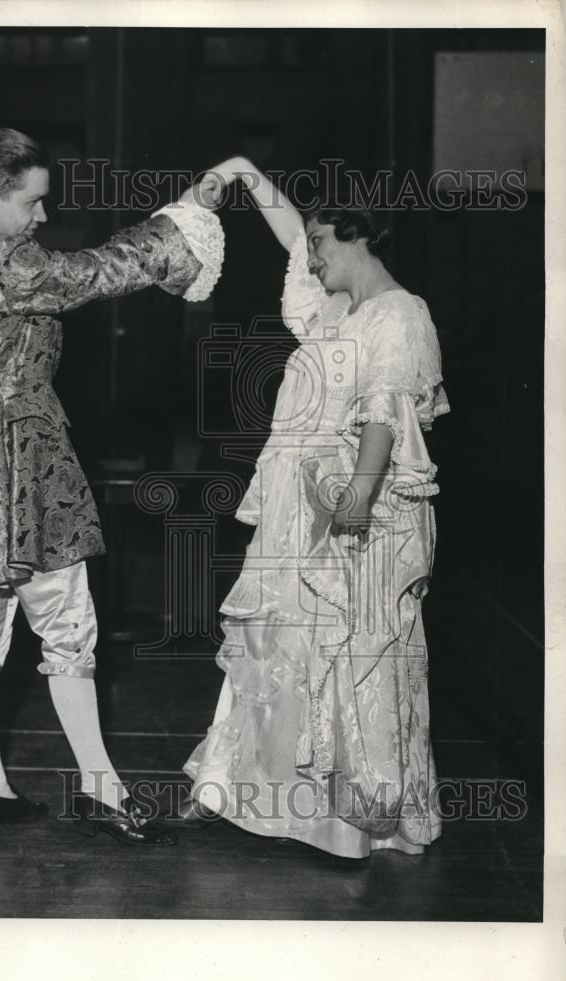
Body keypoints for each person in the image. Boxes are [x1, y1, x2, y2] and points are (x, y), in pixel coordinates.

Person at [0, 128, 224, 846]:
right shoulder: (9, 261)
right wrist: (184, 219)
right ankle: (102, 791)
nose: (41, 217)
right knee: (68, 626)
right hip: (20, 461)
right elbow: (95, 272)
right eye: (32, 203)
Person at [179, 157, 450, 858]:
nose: (310, 257)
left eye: (322, 245)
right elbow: (292, 236)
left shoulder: (402, 314)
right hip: (296, 505)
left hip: (352, 510)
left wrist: (356, 496)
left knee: (349, 653)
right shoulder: (332, 309)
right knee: (277, 646)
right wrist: (242, 172)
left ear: (356, 239)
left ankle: (356, 820)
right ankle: (264, 802)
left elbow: (386, 412)